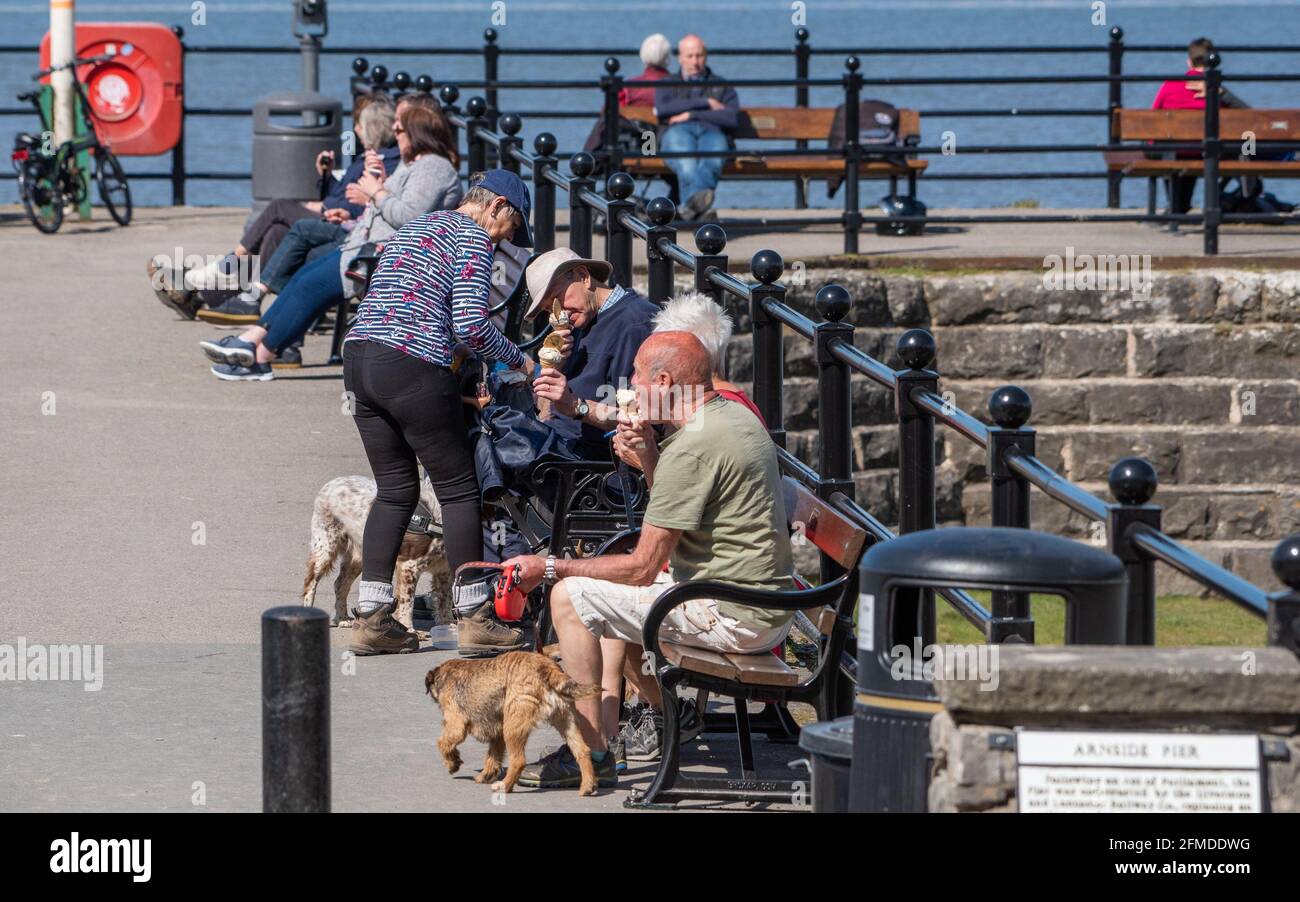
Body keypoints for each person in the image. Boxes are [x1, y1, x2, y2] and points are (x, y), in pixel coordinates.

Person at [498, 332, 796, 789]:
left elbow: (643, 567)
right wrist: (651, 455)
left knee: (569, 596)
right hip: (755, 603)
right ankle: (610, 735)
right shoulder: (725, 417)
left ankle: (592, 753)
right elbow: (679, 517)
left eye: (637, 376)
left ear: (663, 380)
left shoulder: (695, 445)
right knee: (604, 594)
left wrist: (551, 567)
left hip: (732, 614)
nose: (631, 387)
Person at [340, 169, 537, 656]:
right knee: (459, 489)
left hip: (360, 359)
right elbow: (470, 325)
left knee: (395, 490)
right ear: (497, 208)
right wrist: (518, 359)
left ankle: (372, 619)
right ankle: (475, 619)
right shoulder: (473, 237)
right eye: (511, 228)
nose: (507, 239)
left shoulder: (418, 226)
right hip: (410, 363)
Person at [198, 104, 463, 380]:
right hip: (362, 247)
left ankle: (260, 354)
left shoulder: (434, 167)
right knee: (303, 278)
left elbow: (409, 217)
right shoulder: (418, 164)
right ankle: (253, 341)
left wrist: (377, 192)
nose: (395, 134)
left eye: (399, 128)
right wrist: (379, 185)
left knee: (309, 286)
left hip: (381, 258)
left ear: (417, 133)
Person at [148, 92, 392, 319]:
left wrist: (335, 206)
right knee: (275, 231)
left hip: (344, 226)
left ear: (372, 128)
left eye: (358, 125)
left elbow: (362, 205)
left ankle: (211, 275)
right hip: (336, 217)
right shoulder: (366, 159)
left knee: (278, 208)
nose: (356, 130)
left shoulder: (380, 162)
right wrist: (325, 176)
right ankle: (214, 299)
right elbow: (343, 195)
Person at [526, 247, 660, 459]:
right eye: (548, 310)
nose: (556, 314)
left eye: (557, 300)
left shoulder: (635, 325)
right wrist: (556, 365)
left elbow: (639, 419)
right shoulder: (581, 319)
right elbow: (549, 406)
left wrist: (576, 406)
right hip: (564, 443)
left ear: (584, 276)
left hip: (595, 460)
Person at [1150, 37, 1249, 216]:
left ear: (1189, 61)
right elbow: (1249, 116)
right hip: (1208, 151)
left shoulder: (1169, 85)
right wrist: (1222, 93)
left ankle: (1176, 205)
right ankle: (1239, 194)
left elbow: (1152, 119)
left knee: (1172, 148)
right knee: (1245, 150)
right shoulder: (1216, 89)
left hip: (1174, 151)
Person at [653, 34, 739, 221]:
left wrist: (692, 114)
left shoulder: (721, 85)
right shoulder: (668, 83)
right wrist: (706, 102)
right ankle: (699, 213)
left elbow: (731, 118)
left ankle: (687, 210)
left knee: (713, 161)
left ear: (706, 56)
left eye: (699, 56)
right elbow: (663, 109)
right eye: (690, 56)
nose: (695, 62)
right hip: (677, 132)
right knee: (687, 163)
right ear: (680, 58)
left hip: (713, 132)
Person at [619, 33, 671, 107]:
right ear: (668, 57)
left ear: (643, 55)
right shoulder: (678, 86)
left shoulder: (628, 88)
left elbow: (609, 112)